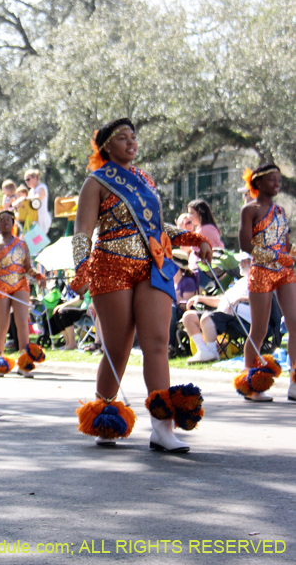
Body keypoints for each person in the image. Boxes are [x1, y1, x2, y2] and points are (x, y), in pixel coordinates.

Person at [71, 118, 212, 452]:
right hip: (110, 267)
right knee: (118, 347)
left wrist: (192, 238)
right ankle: (105, 415)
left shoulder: (144, 180)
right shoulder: (96, 182)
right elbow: (82, 231)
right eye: (123, 137)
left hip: (152, 265)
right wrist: (81, 269)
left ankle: (162, 427)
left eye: (133, 137)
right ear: (105, 146)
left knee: (159, 342)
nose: (131, 142)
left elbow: (155, 227)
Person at [236, 163, 296, 402]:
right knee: (259, 329)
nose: (277, 184)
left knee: (294, 323)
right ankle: (252, 383)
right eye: (272, 179)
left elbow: (287, 244)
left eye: (279, 180)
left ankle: (294, 381)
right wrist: (274, 257)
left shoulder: (281, 210)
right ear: (257, 183)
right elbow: (245, 245)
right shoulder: (249, 209)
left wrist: (291, 256)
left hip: (285, 271)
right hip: (261, 271)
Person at [0, 207, 46, 377]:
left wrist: (38, 276)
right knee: (2, 325)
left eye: (9, 219)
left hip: (20, 283)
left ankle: (24, 362)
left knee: (22, 322)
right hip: (0, 284)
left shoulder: (22, 243)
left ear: (13, 223)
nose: (6, 222)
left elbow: (27, 268)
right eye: (2, 220)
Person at [182, 253, 252, 364]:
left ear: (251, 262)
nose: (239, 264)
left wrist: (239, 298)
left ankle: (213, 353)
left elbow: (259, 299)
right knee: (188, 317)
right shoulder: (240, 282)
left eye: (243, 261)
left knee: (206, 318)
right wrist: (200, 298)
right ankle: (203, 351)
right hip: (223, 313)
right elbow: (221, 300)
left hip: (239, 318)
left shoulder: (256, 280)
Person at [187, 199, 224, 283]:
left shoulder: (206, 229)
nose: (189, 216)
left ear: (200, 213)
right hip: (200, 273)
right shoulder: (201, 228)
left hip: (204, 274)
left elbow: (217, 249)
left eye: (192, 213)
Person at [23, 169, 52, 235]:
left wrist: (23, 199)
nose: (26, 182)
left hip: (42, 219)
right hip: (34, 219)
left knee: (40, 242)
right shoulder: (31, 191)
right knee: (34, 243)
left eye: (28, 179)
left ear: (35, 178)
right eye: (25, 180)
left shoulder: (41, 187)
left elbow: (38, 198)